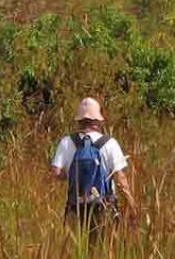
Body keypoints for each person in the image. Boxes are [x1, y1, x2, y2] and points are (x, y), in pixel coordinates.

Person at [50, 97, 137, 236]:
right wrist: (131, 206)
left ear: (79, 121)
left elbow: (55, 172)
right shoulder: (110, 143)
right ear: (98, 121)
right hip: (104, 210)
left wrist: (75, 174)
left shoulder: (66, 142)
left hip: (75, 209)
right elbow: (120, 179)